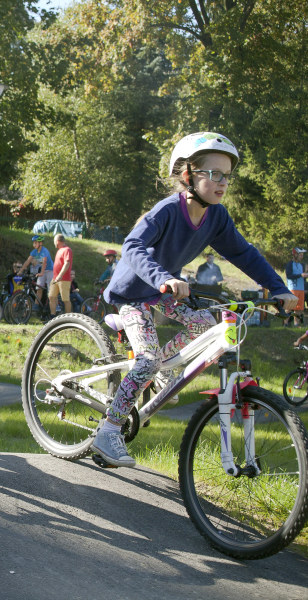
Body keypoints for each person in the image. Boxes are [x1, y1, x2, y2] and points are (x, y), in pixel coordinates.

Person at [93, 132, 296, 468]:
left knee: (205, 325)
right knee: (147, 360)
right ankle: (109, 429)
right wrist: (164, 278)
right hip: (135, 292)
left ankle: (161, 370)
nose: (223, 183)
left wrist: (277, 288)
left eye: (227, 175)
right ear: (188, 174)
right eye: (214, 174)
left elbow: (244, 253)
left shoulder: (216, 217)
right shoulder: (168, 211)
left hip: (163, 291)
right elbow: (132, 246)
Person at [20, 235, 53, 307]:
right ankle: (36, 305)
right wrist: (20, 271)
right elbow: (27, 262)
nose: (34, 244)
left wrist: (41, 273)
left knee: (51, 290)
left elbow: (44, 262)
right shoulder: (34, 251)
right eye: (33, 243)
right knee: (39, 287)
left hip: (50, 270)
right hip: (43, 271)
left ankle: (55, 306)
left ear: (40, 243)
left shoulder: (45, 250)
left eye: (36, 243)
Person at [48, 233, 73, 318]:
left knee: (65, 299)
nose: (54, 243)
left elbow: (67, 263)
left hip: (64, 279)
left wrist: (60, 275)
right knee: (51, 296)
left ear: (58, 241)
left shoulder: (67, 250)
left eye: (54, 241)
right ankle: (52, 316)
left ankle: (67, 318)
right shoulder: (59, 250)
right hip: (55, 278)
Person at [284, 247, 306, 327]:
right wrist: (300, 275)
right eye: (300, 255)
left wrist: (304, 275)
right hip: (293, 288)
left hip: (301, 289)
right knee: (289, 307)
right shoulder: (290, 264)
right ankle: (285, 323)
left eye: (302, 255)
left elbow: (301, 276)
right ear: (295, 254)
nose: (302, 257)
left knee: (299, 308)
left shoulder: (300, 265)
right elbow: (289, 276)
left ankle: (296, 324)